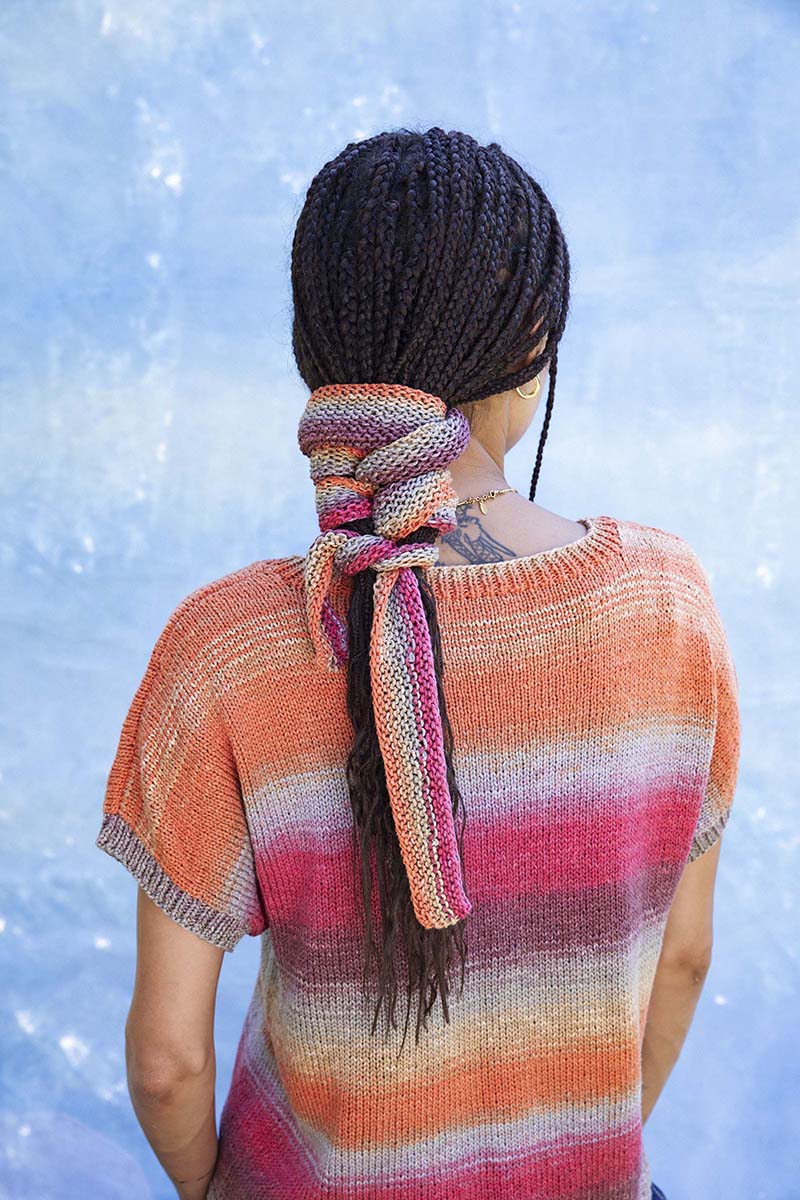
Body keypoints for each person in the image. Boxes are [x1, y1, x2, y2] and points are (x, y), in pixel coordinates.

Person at [95, 127, 740, 1200]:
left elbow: (167, 1062)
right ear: (532, 338)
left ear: (316, 348)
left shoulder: (229, 649)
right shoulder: (668, 604)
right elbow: (683, 959)